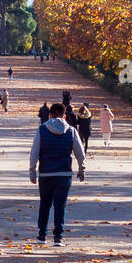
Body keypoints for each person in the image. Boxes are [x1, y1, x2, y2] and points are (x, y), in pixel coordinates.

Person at [29, 103, 86, 246]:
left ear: (49, 115)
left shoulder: (42, 130)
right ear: (64, 116)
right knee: (60, 206)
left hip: (46, 174)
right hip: (64, 173)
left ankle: (41, 235)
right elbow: (80, 152)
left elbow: (34, 152)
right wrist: (81, 169)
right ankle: (58, 238)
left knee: (45, 205)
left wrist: (32, 171)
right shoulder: (71, 131)